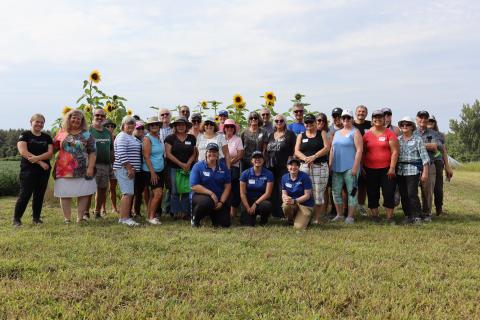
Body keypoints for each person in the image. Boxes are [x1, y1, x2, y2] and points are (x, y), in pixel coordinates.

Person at [53, 110, 97, 224]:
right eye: (74, 117)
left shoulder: (87, 134)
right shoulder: (61, 133)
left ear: (82, 121)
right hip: (63, 170)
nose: (76, 120)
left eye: (79, 118)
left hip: (83, 169)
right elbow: (52, 149)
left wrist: (91, 167)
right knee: (64, 194)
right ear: (69, 118)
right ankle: (67, 219)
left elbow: (93, 152)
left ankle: (80, 218)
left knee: (83, 193)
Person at [13, 114, 53, 226]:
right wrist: (40, 162)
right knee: (25, 194)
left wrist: (37, 158)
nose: (39, 124)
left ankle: (36, 218)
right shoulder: (25, 135)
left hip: (44, 171)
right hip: (28, 170)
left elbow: (50, 154)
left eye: (42, 122)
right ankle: (16, 219)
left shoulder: (47, 137)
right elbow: (23, 152)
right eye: (37, 122)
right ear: (31, 122)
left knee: (39, 195)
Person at [362, 110, 399, 223]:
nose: (377, 119)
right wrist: (362, 167)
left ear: (384, 119)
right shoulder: (367, 134)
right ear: (372, 119)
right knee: (372, 192)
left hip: (387, 169)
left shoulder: (389, 133)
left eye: (380, 117)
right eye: (375, 117)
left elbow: (395, 152)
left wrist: (392, 167)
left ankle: (389, 217)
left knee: (388, 192)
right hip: (370, 168)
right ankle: (375, 216)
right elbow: (363, 152)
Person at [294, 113, 330, 224]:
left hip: (320, 167)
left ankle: (316, 218)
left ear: (315, 123)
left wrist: (314, 156)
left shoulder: (322, 133)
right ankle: (305, 216)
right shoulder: (301, 135)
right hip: (305, 166)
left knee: (318, 192)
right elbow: (296, 151)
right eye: (307, 122)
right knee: (304, 191)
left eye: (311, 122)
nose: (309, 124)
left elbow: (327, 147)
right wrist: (306, 159)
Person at [329, 109, 363, 224]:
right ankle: (339, 215)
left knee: (352, 192)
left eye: (348, 118)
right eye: (344, 118)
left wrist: (355, 167)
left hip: (350, 168)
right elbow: (332, 150)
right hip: (336, 168)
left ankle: (350, 216)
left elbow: (359, 151)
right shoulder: (337, 133)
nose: (346, 120)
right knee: (335, 191)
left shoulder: (356, 132)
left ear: (352, 119)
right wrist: (330, 165)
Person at [396, 116, 430, 223]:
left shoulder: (418, 140)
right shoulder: (397, 140)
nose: (405, 126)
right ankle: (407, 216)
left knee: (412, 194)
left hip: (413, 170)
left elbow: (425, 158)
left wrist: (425, 173)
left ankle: (417, 216)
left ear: (412, 127)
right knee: (403, 194)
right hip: (400, 170)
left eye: (407, 124)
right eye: (402, 124)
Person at [190, 143, 231, 227]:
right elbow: (194, 186)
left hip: (218, 199)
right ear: (205, 153)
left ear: (218, 154)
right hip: (201, 197)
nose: (212, 154)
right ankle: (195, 219)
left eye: (215, 152)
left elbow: (228, 186)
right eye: (210, 151)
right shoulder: (198, 166)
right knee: (207, 202)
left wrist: (221, 202)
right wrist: (211, 194)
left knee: (224, 224)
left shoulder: (223, 167)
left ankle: (213, 215)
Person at [165, 117, 197, 219]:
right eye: (178, 125)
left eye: (183, 125)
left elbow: (194, 153)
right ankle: (175, 212)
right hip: (173, 168)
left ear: (186, 126)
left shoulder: (192, 138)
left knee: (186, 190)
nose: (180, 127)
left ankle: (185, 212)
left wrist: (188, 163)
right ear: (175, 126)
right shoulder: (170, 138)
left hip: (188, 168)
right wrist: (181, 164)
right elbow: (168, 154)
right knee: (174, 190)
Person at [113, 116, 142, 226]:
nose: (130, 126)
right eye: (128, 123)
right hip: (124, 169)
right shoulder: (122, 136)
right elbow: (121, 153)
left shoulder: (131, 137)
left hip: (129, 169)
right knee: (128, 193)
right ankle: (124, 218)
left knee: (129, 193)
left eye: (132, 124)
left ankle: (125, 217)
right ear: (123, 125)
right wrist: (129, 168)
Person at [265, 114, 296, 218]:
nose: (279, 122)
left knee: (282, 189)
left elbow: (294, 151)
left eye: (281, 121)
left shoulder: (290, 134)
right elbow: (266, 150)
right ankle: (275, 213)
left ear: (285, 122)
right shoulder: (270, 135)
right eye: (277, 121)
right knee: (272, 190)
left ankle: (285, 213)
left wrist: (291, 165)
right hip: (271, 166)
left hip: (284, 166)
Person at [415, 110, 443, 221]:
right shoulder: (412, 132)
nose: (423, 120)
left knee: (427, 191)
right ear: (417, 119)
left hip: (430, 164)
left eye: (425, 118)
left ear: (427, 120)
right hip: (414, 165)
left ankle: (427, 214)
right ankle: (415, 212)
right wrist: (429, 145)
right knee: (412, 190)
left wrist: (418, 144)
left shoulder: (434, 133)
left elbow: (438, 146)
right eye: (420, 117)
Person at [87, 108, 113, 219]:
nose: (99, 118)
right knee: (89, 190)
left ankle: (97, 212)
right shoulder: (88, 130)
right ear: (93, 116)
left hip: (105, 165)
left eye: (102, 116)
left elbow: (111, 149)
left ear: (105, 118)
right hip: (92, 165)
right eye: (97, 115)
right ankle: (85, 212)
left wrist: (112, 162)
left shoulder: (107, 132)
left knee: (102, 189)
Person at [427, 115, 453, 216]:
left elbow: (443, 151)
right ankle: (423, 210)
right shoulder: (418, 133)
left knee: (438, 188)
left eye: (432, 121)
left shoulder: (440, 135)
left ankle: (439, 209)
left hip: (437, 162)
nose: (429, 122)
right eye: (428, 120)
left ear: (435, 123)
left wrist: (447, 166)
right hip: (422, 162)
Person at [239, 151, 273, 226]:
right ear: (251, 160)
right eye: (255, 158)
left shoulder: (268, 174)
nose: (257, 159)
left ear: (263, 160)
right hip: (248, 201)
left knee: (266, 205)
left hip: (261, 201)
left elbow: (268, 193)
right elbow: (242, 193)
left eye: (260, 158)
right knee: (248, 224)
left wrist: (255, 204)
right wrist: (248, 207)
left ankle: (263, 220)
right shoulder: (245, 173)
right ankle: (251, 216)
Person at [142, 117, 165, 225]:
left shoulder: (158, 137)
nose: (155, 126)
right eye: (152, 125)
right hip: (150, 171)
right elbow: (146, 157)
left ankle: (149, 215)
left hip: (159, 170)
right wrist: (152, 173)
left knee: (154, 194)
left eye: (156, 124)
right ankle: (152, 217)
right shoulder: (147, 139)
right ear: (149, 127)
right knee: (158, 193)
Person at [281, 158, 314, 230]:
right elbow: (284, 193)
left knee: (298, 228)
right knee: (285, 205)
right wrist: (285, 198)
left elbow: (307, 195)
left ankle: (306, 218)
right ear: (287, 167)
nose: (293, 167)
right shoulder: (284, 177)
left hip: (305, 205)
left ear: (299, 167)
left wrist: (294, 201)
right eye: (291, 165)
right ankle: (291, 220)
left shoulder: (305, 177)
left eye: (296, 165)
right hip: (293, 204)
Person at [224, 119, 244, 218]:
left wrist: (229, 163)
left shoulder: (237, 139)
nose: (229, 128)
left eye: (232, 127)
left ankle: (233, 213)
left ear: (234, 128)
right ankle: (223, 211)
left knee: (234, 191)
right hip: (221, 168)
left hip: (233, 168)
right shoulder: (221, 138)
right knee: (223, 189)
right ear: (224, 128)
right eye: (227, 126)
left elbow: (240, 154)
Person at [353, 105, 371, 215]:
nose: (361, 113)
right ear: (356, 113)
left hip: (367, 158)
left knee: (363, 185)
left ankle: (360, 205)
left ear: (366, 113)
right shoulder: (352, 124)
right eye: (359, 111)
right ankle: (351, 204)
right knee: (353, 185)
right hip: (353, 158)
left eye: (363, 111)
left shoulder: (370, 125)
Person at [131, 121, 149, 217]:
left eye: (142, 128)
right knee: (132, 191)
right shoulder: (131, 140)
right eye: (138, 128)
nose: (140, 130)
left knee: (139, 191)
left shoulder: (144, 139)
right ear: (133, 129)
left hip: (142, 168)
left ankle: (136, 211)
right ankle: (130, 211)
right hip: (133, 169)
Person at [103, 119, 119, 214]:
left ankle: (114, 208)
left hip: (114, 164)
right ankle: (102, 208)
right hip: (103, 164)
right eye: (107, 126)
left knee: (112, 187)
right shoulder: (101, 138)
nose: (110, 128)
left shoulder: (117, 137)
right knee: (102, 187)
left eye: (112, 126)